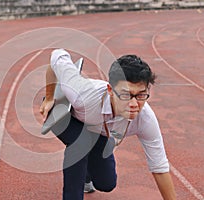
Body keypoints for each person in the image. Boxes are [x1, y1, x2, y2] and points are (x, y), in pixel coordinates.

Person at [39, 49, 176, 200]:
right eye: (125, 95)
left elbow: (160, 168)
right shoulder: (81, 93)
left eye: (141, 95)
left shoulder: (145, 119)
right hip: (64, 115)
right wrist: (49, 96)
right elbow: (57, 55)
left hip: (98, 130)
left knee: (106, 183)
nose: (133, 104)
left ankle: (86, 175)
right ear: (110, 90)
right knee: (80, 143)